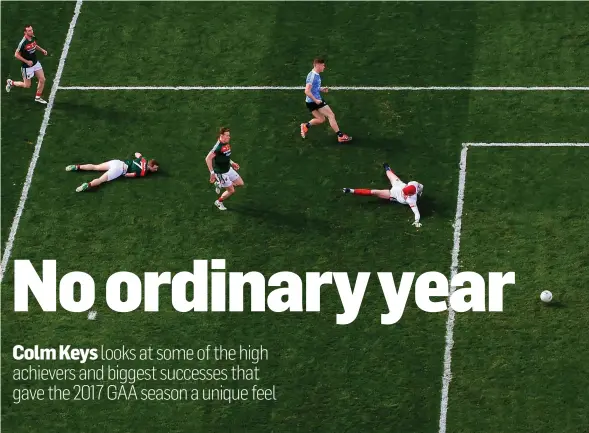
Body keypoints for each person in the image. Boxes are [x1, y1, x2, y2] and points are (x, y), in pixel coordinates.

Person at [342, 162, 424, 227]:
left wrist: (416, 221)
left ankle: (350, 190)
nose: (405, 195)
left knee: (374, 192)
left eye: (405, 195)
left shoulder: (411, 200)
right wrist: (420, 191)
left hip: (393, 194)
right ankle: (387, 168)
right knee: (388, 172)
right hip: (398, 185)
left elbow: (416, 212)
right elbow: (421, 186)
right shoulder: (413, 183)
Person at [300, 58, 352, 143]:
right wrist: (316, 100)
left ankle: (306, 126)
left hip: (310, 102)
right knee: (331, 115)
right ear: (317, 65)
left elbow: (314, 88)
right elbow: (307, 91)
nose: (324, 67)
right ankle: (340, 136)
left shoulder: (316, 74)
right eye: (323, 65)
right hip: (314, 101)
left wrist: (321, 89)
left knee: (321, 119)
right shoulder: (312, 76)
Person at [65, 153, 159, 192]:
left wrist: (139, 156)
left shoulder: (143, 159)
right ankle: (87, 185)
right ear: (151, 166)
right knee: (100, 180)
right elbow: (129, 175)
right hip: (120, 169)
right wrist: (125, 174)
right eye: (155, 168)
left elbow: (137, 154)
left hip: (117, 162)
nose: (156, 170)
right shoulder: (143, 173)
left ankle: (76, 167)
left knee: (96, 167)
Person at [6, 25, 49, 104]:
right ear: (25, 32)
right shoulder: (22, 43)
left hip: (35, 63)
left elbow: (34, 45)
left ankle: (38, 97)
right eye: (29, 31)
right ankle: (11, 83)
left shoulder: (32, 37)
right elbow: (16, 55)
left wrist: (42, 50)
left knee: (42, 79)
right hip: (27, 67)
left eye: (31, 30)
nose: (31, 31)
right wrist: (27, 61)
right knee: (27, 85)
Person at [205, 127, 244, 211]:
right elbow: (208, 159)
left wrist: (232, 163)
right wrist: (212, 173)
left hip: (228, 169)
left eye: (229, 135)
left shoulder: (226, 143)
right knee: (231, 191)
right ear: (221, 136)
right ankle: (218, 202)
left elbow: (225, 156)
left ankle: (219, 184)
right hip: (221, 173)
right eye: (227, 135)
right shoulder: (218, 147)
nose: (229, 137)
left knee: (240, 183)